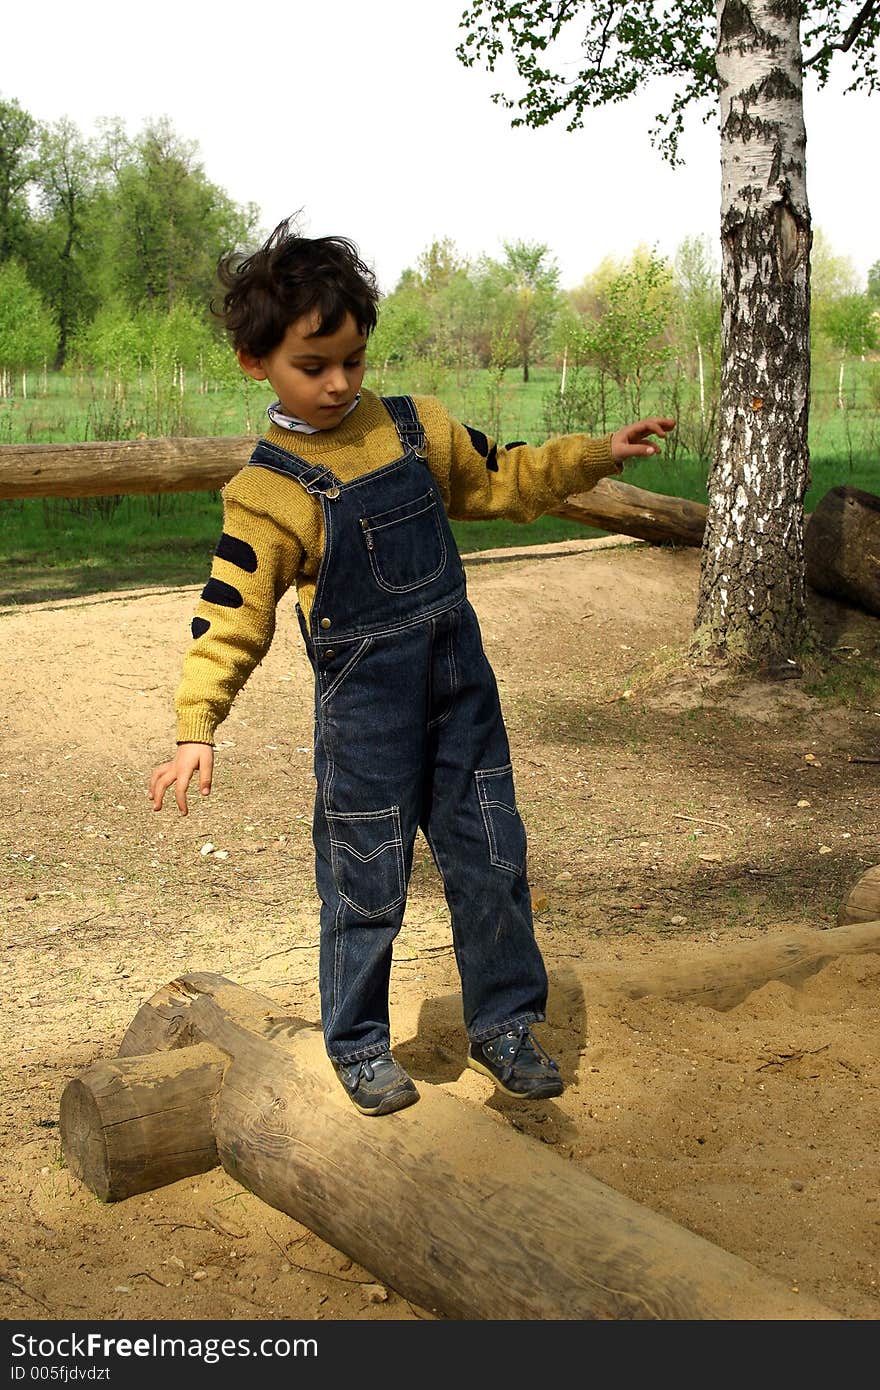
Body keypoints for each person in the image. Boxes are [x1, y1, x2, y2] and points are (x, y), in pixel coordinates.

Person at [149, 217, 675, 1118]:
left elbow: (499, 478)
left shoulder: (416, 428)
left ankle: (506, 1022)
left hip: (461, 694)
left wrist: (593, 456)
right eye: (313, 367)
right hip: (367, 717)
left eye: (351, 360)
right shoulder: (267, 493)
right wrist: (197, 725)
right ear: (255, 361)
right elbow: (229, 616)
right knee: (365, 874)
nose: (339, 383)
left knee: (491, 855)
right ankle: (358, 1045)